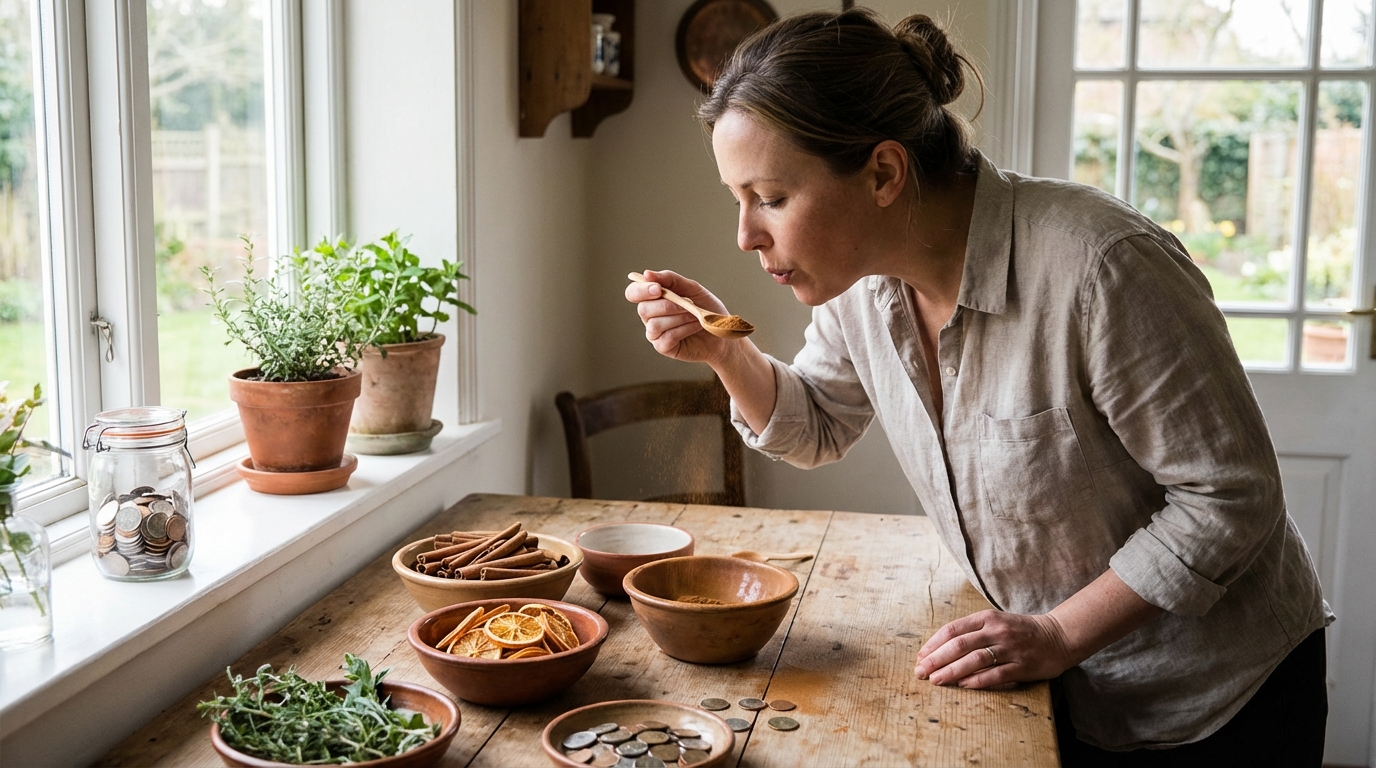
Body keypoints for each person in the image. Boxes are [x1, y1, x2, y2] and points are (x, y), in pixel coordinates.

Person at [624, 8, 1332, 767]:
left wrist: (1059, 633)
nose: (745, 235)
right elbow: (817, 425)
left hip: (1215, 705)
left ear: (885, 173)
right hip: (1047, 692)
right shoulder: (861, 288)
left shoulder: (1101, 267)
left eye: (769, 197)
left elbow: (1230, 497)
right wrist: (725, 355)